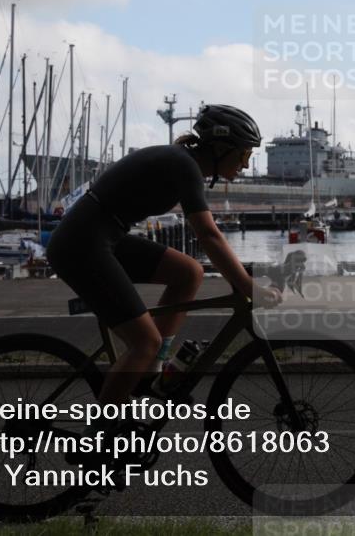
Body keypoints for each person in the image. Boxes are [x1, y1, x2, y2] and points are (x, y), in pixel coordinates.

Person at [46, 104, 282, 423]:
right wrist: (247, 285)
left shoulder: (185, 164)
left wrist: (242, 279)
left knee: (189, 273)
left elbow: (207, 238)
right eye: (243, 155)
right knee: (143, 341)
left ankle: (151, 372)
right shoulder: (182, 164)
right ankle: (100, 440)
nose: (246, 164)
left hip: (103, 237)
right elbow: (208, 234)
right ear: (221, 148)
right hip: (80, 245)